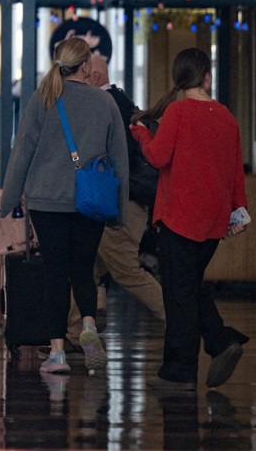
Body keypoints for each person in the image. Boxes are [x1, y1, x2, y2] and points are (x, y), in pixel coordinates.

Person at [0, 37, 128, 375]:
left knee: (55, 275)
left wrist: (7, 200)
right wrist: (120, 213)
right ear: (86, 66)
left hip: (47, 201)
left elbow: (22, 151)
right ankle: (87, 324)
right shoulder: (105, 103)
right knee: (83, 270)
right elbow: (120, 161)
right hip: (92, 202)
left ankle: (57, 354)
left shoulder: (44, 98)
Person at [131, 48, 249, 391]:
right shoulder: (227, 117)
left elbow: (156, 157)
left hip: (180, 217)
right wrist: (238, 211)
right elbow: (235, 172)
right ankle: (220, 340)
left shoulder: (179, 112)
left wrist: (140, 133)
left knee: (179, 294)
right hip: (213, 222)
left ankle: (179, 370)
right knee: (189, 286)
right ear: (207, 77)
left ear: (179, 78)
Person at [66, 54, 165, 343]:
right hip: (125, 204)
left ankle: (184, 320)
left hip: (114, 207)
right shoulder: (124, 103)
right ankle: (75, 334)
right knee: (83, 266)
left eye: (81, 77)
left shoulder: (103, 107)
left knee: (126, 271)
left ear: (93, 78)